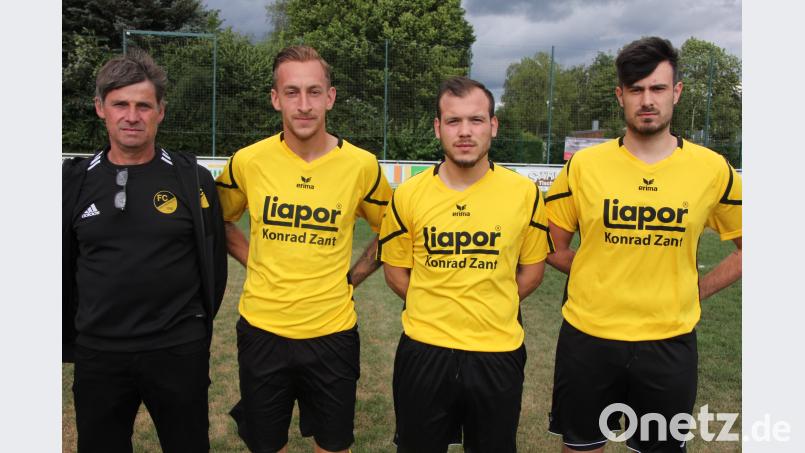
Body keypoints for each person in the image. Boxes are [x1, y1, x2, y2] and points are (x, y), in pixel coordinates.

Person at [544, 36, 742, 452]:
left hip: (668, 341)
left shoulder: (711, 169)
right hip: (588, 335)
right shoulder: (584, 166)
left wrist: (696, 290)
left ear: (677, 93)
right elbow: (550, 244)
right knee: (581, 445)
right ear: (620, 96)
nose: (646, 100)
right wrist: (598, 271)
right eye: (635, 90)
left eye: (657, 88)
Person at [215, 45, 392, 453]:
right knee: (265, 443)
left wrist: (354, 276)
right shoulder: (248, 161)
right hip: (262, 330)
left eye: (314, 92)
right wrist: (253, 260)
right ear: (275, 98)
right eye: (292, 92)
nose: (304, 104)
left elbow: (393, 231)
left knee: (333, 445)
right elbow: (218, 221)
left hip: (332, 333)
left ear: (330, 97)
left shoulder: (362, 165)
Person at [62, 49, 228, 453]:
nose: (131, 116)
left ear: (160, 112)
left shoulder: (192, 178)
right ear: (101, 108)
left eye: (143, 105)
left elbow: (215, 262)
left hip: (176, 350)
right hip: (99, 353)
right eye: (120, 104)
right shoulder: (73, 181)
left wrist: (193, 328)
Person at [378, 76, 553, 453]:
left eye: (475, 120)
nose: (465, 131)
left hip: (497, 352)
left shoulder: (523, 193)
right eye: (453, 121)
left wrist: (489, 300)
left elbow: (533, 272)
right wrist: (438, 302)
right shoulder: (408, 194)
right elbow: (395, 273)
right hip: (424, 350)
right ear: (438, 128)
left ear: (493, 126)